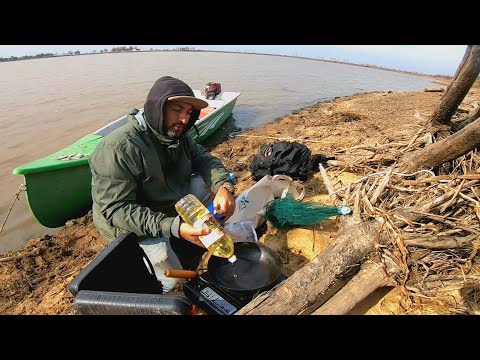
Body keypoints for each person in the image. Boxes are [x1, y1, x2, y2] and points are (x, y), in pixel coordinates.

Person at [89, 76, 236, 289]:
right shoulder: (117, 148)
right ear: (157, 108)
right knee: (170, 274)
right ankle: (164, 263)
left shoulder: (180, 136)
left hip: (165, 202)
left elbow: (205, 160)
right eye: (177, 110)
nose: (184, 120)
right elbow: (117, 210)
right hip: (128, 224)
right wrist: (174, 227)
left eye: (188, 113)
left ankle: (186, 236)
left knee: (206, 187)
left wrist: (223, 187)